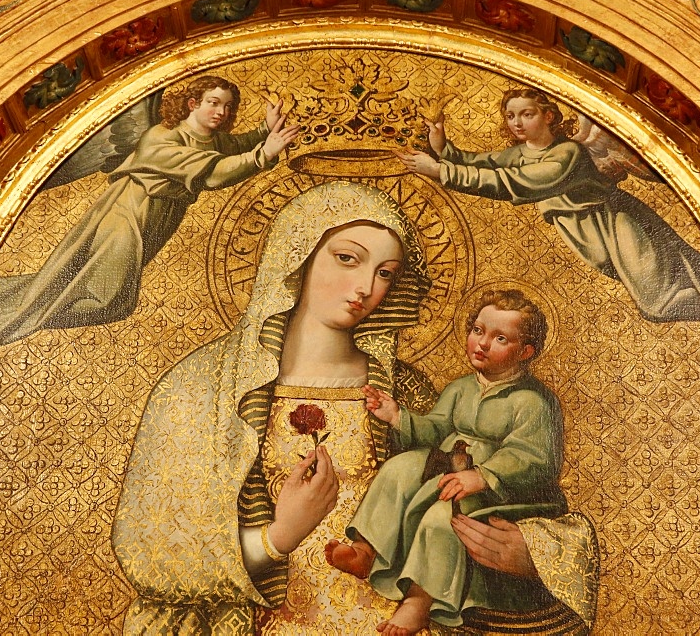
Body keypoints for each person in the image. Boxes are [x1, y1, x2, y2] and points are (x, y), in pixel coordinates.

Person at [110, 182, 599, 634]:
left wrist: (530, 554)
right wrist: (278, 536)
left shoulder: (404, 389)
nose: (366, 287)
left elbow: (507, 493)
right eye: (347, 258)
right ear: (296, 256)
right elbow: (150, 552)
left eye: (385, 273)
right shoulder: (201, 389)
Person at [0, 75, 300, 358]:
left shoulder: (208, 139)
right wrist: (263, 154)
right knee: (109, 300)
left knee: (90, 291)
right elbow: (214, 173)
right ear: (193, 103)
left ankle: (33, 304)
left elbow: (228, 147)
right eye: (213, 102)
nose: (221, 112)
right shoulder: (161, 137)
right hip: (127, 216)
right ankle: (21, 314)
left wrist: (261, 132)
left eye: (227, 106)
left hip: (156, 219)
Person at [395, 87, 700, 337]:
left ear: (548, 115)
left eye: (527, 114)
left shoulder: (567, 153)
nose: (517, 123)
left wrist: (441, 172)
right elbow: (479, 162)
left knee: (660, 303)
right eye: (510, 116)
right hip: (591, 235)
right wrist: (441, 145)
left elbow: (512, 183)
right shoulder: (520, 152)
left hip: (618, 223)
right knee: (664, 297)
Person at [328, 289, 568, 634]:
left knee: (444, 517)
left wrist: (483, 476)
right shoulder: (460, 388)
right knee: (398, 468)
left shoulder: (533, 401)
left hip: (508, 494)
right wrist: (397, 416)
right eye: (478, 331)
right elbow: (435, 428)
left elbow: (534, 459)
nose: (482, 343)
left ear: (525, 351)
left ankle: (419, 601)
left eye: (500, 338)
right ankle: (366, 550)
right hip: (452, 468)